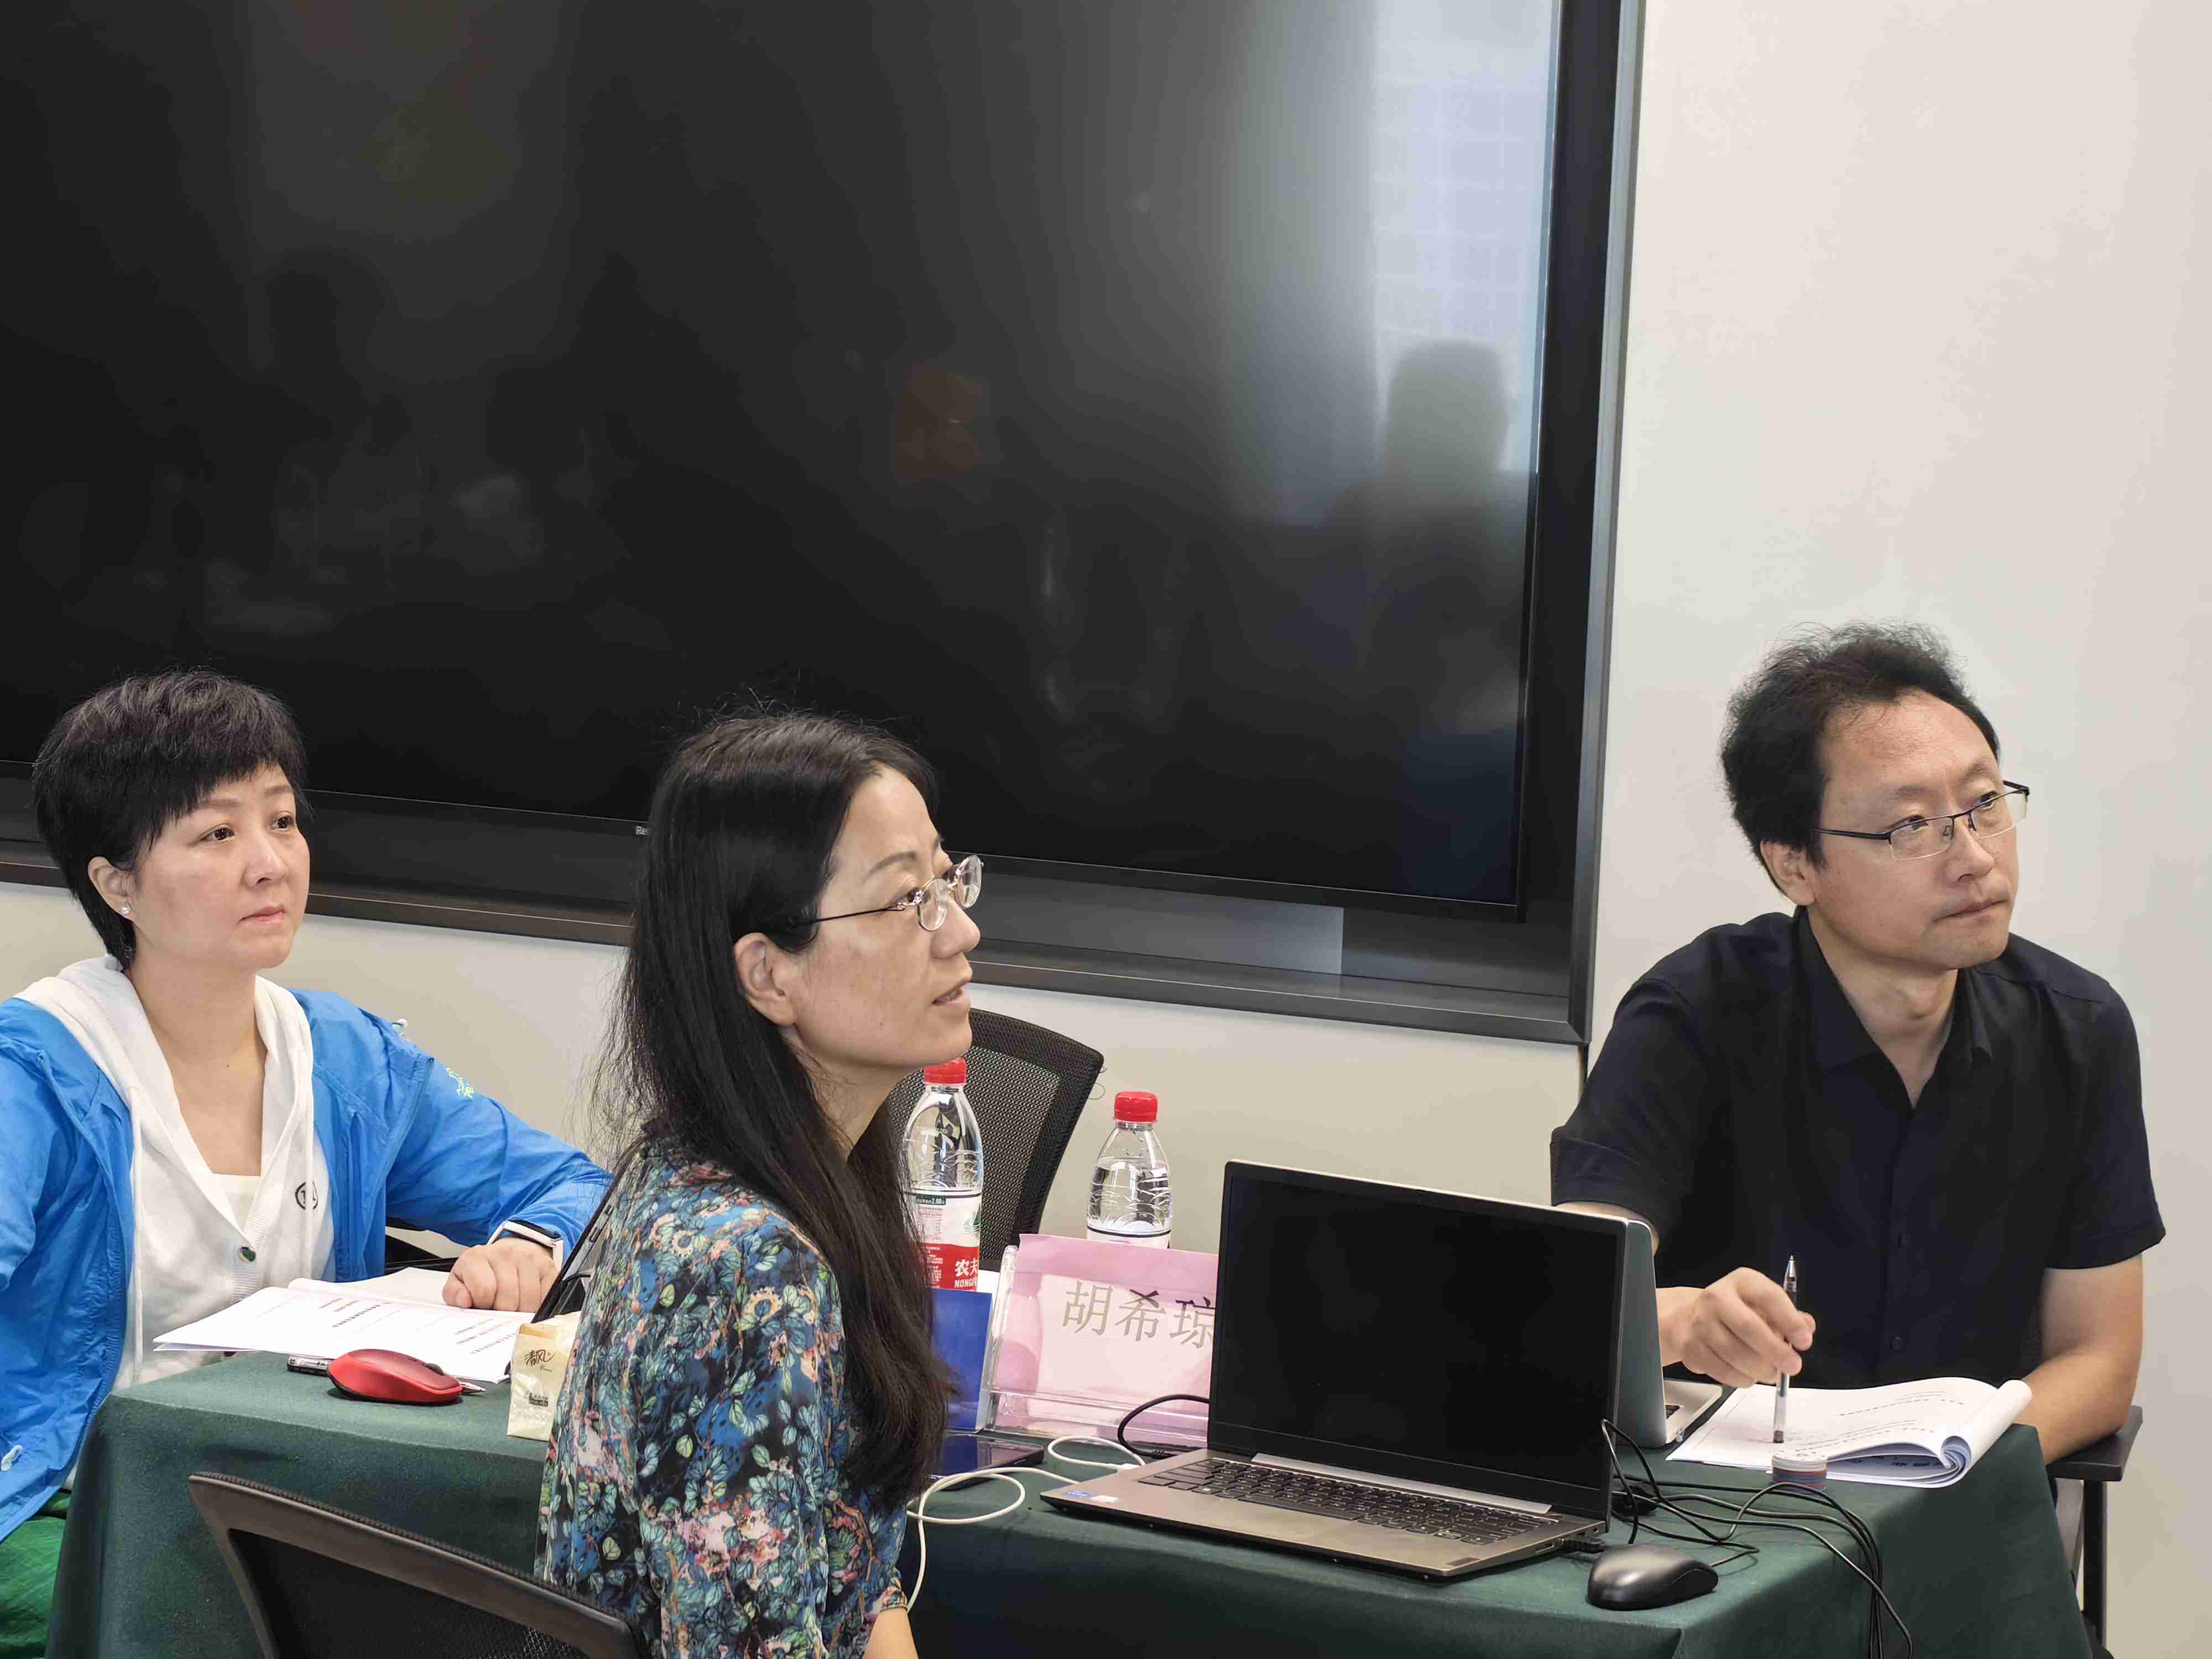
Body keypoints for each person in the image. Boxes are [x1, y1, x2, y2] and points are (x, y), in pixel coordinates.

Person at [0, 671, 609, 1657]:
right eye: (216, 833)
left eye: (282, 822)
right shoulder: (33, 1073)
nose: (270, 864)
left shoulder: (349, 1060)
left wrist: (530, 1246)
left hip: (307, 1503)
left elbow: (575, 1185)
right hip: (62, 1512)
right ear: (116, 885)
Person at [1554, 624, 2159, 1463]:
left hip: (1964, 1490)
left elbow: (2099, 1358)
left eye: (1985, 804)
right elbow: (1573, 1298)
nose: (1974, 858)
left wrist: (1957, 1471)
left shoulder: (2078, 1030)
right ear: (1795, 865)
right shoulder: (1694, 1012)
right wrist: (1682, 1318)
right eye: (1912, 826)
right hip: (1729, 1508)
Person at [538, 711, 979, 1657]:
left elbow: (858, 1572)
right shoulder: (743, 1265)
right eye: (909, 900)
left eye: (948, 881)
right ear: (768, 975)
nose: (961, 930)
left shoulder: (744, 1169)